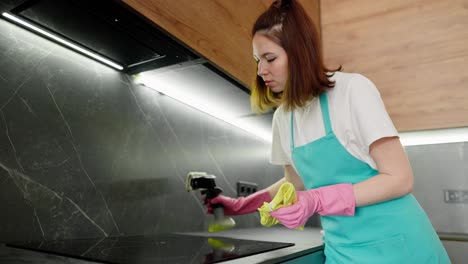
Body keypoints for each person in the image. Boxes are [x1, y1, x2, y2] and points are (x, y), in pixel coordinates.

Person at [206, 0, 451, 263]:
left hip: (398, 246)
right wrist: (242, 205)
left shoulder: (352, 91)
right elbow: (293, 182)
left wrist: (315, 200)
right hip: (342, 252)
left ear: (299, 52)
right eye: (257, 60)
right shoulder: (282, 118)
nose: (260, 70)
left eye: (270, 58)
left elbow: (400, 178)